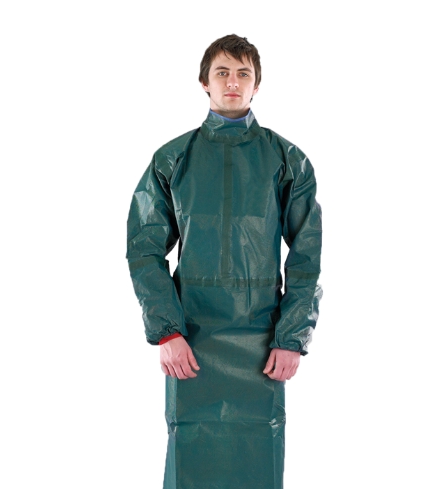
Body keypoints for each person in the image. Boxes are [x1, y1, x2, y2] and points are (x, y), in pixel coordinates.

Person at [126, 34, 323, 489]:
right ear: (204, 82)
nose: (232, 82)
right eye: (222, 72)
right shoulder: (173, 159)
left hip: (262, 340)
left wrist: (291, 337)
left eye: (243, 74)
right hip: (191, 340)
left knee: (257, 457)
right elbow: (144, 248)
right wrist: (167, 331)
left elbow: (307, 255)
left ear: (257, 85)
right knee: (191, 460)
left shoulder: (286, 160)